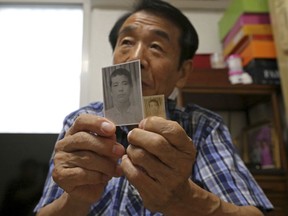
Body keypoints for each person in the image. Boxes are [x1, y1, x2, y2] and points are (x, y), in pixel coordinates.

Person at [34, 0, 273, 215]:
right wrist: (75, 199)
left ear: (182, 72)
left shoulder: (203, 126)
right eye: (126, 42)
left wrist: (184, 198)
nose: (136, 59)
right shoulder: (79, 123)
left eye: (156, 46)